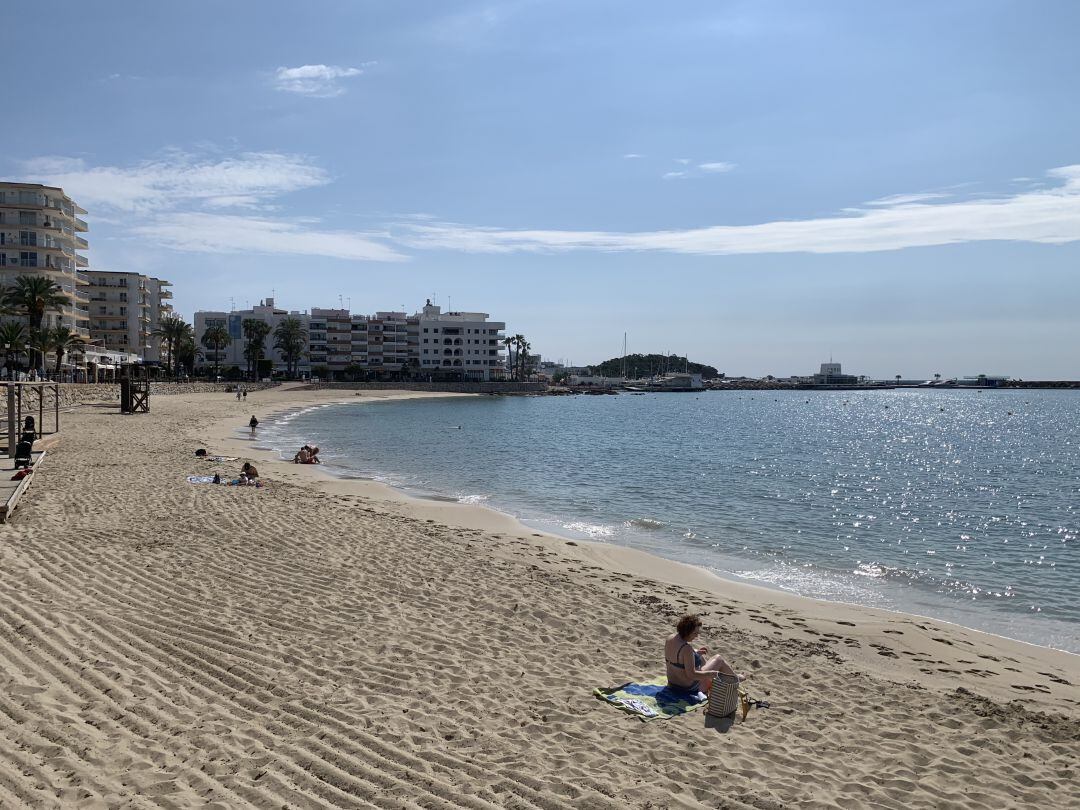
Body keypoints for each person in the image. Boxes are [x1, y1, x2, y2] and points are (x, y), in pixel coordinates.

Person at [665, 614, 742, 698]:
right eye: (695, 633)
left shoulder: (670, 638)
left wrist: (696, 653)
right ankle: (735, 679)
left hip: (672, 683)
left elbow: (677, 657)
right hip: (687, 688)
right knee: (718, 659)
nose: (696, 636)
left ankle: (732, 677)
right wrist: (711, 673)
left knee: (700, 658)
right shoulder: (686, 648)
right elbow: (692, 675)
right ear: (687, 632)